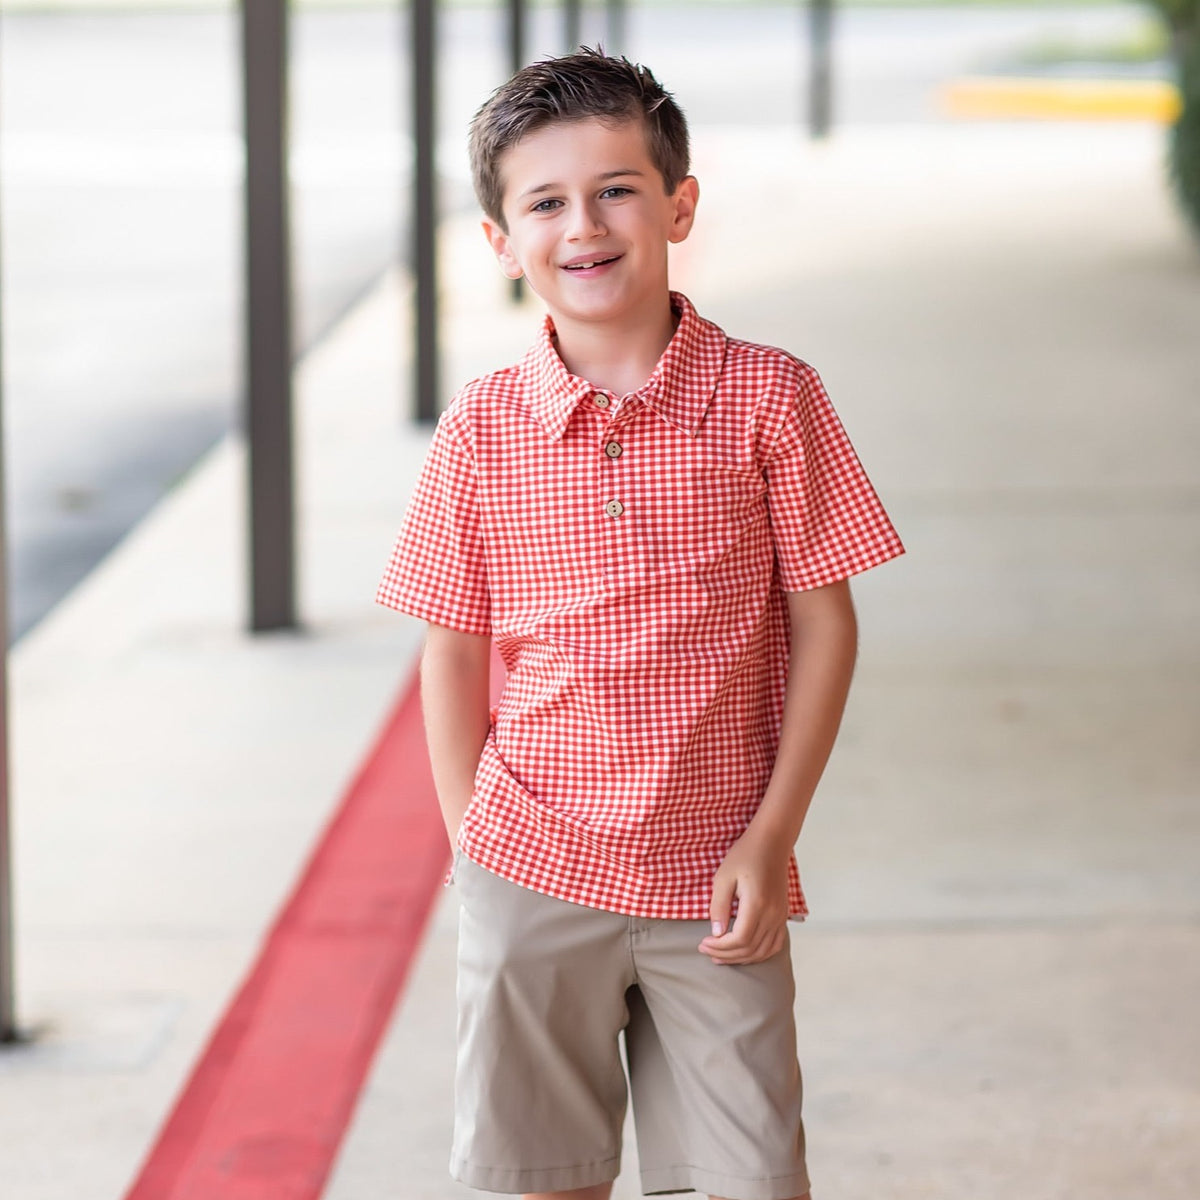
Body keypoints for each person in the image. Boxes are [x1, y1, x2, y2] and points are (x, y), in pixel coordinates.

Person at [377, 47, 904, 1200]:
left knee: (751, 1177)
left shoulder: (771, 397)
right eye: (546, 202)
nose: (586, 224)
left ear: (678, 202)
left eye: (616, 188)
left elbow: (826, 624)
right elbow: (452, 645)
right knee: (538, 1180)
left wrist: (772, 838)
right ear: (500, 240)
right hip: (533, 865)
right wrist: (476, 844)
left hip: (720, 873)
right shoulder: (479, 431)